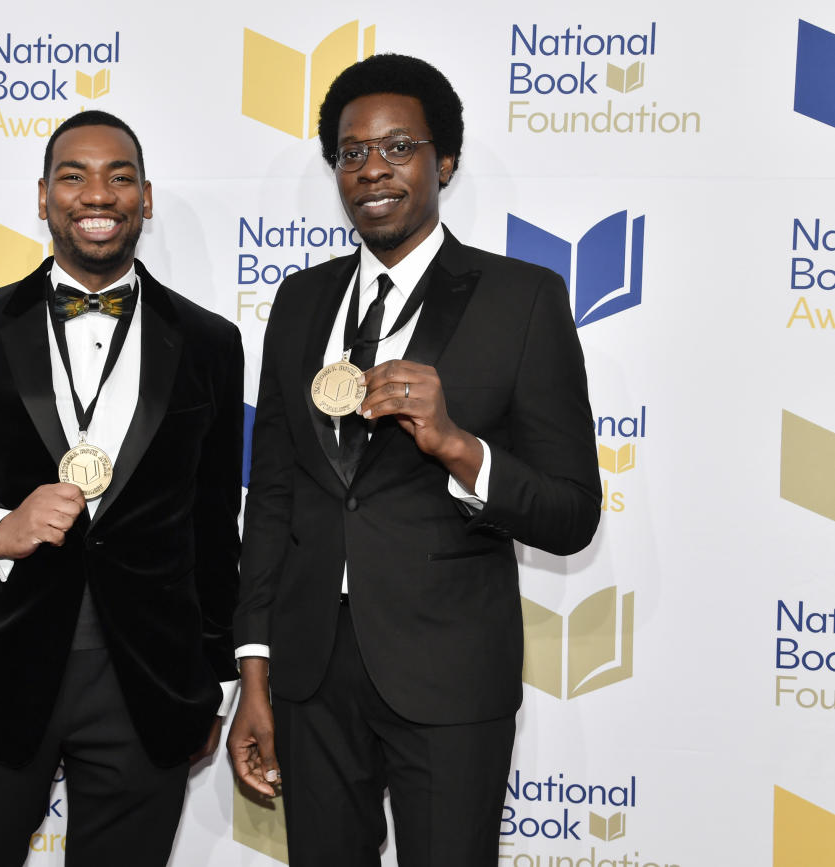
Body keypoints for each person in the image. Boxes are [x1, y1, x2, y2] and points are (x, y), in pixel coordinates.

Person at [227, 54, 601, 866]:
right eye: (351, 154)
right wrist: (253, 667)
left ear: (445, 162)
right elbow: (276, 496)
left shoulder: (522, 298)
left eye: (397, 147)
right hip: (308, 673)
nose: (372, 171)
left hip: (449, 672)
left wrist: (459, 447)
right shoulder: (298, 301)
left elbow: (572, 512)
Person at [0, 110, 242, 866]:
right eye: (73, 176)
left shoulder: (209, 341)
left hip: (147, 686)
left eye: (119, 175)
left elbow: (213, 526)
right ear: (42, 198)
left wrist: (212, 680)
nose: (96, 193)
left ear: (145, 196)